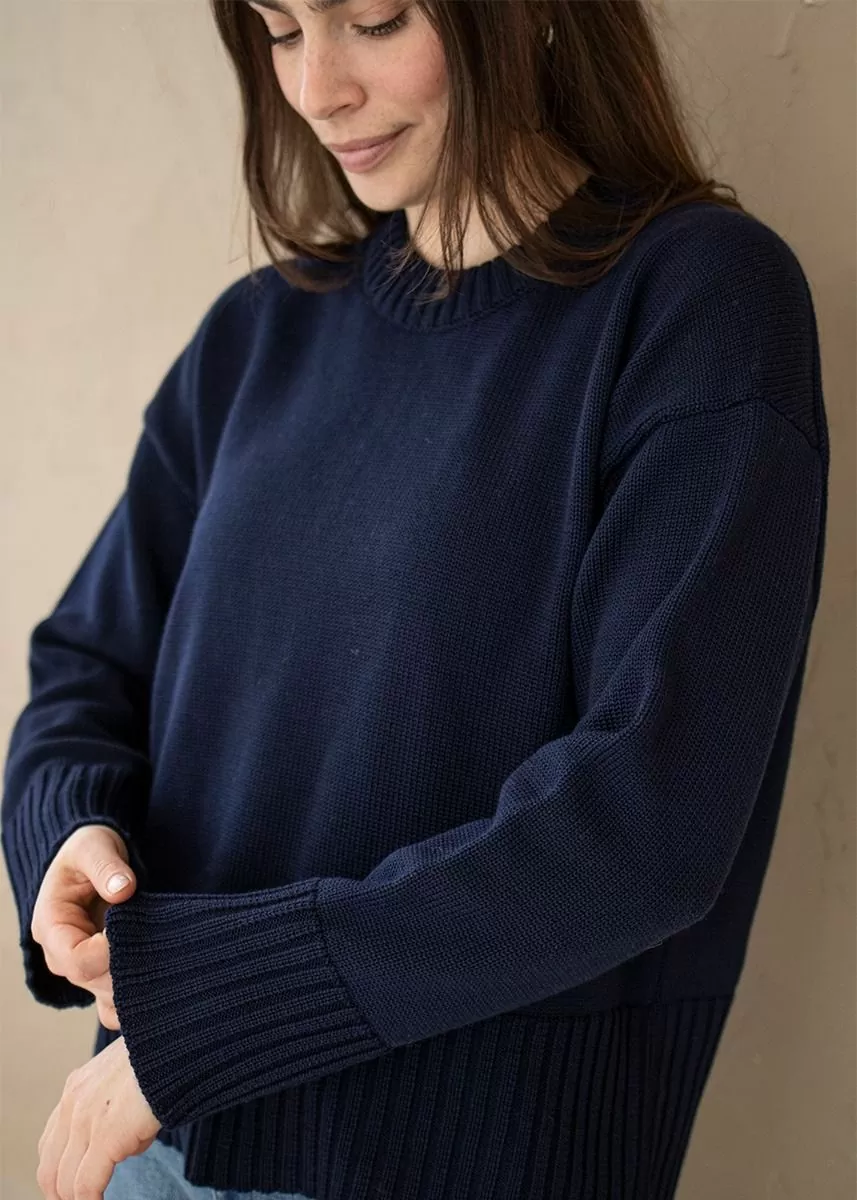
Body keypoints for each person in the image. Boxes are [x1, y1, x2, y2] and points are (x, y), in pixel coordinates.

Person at [1, 1, 830, 1198]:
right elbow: (88, 661)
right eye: (280, 28)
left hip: (468, 1163)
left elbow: (642, 824)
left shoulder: (697, 301)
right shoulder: (256, 337)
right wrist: (69, 835)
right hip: (150, 1140)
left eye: (374, 19)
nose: (316, 89)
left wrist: (221, 1019)